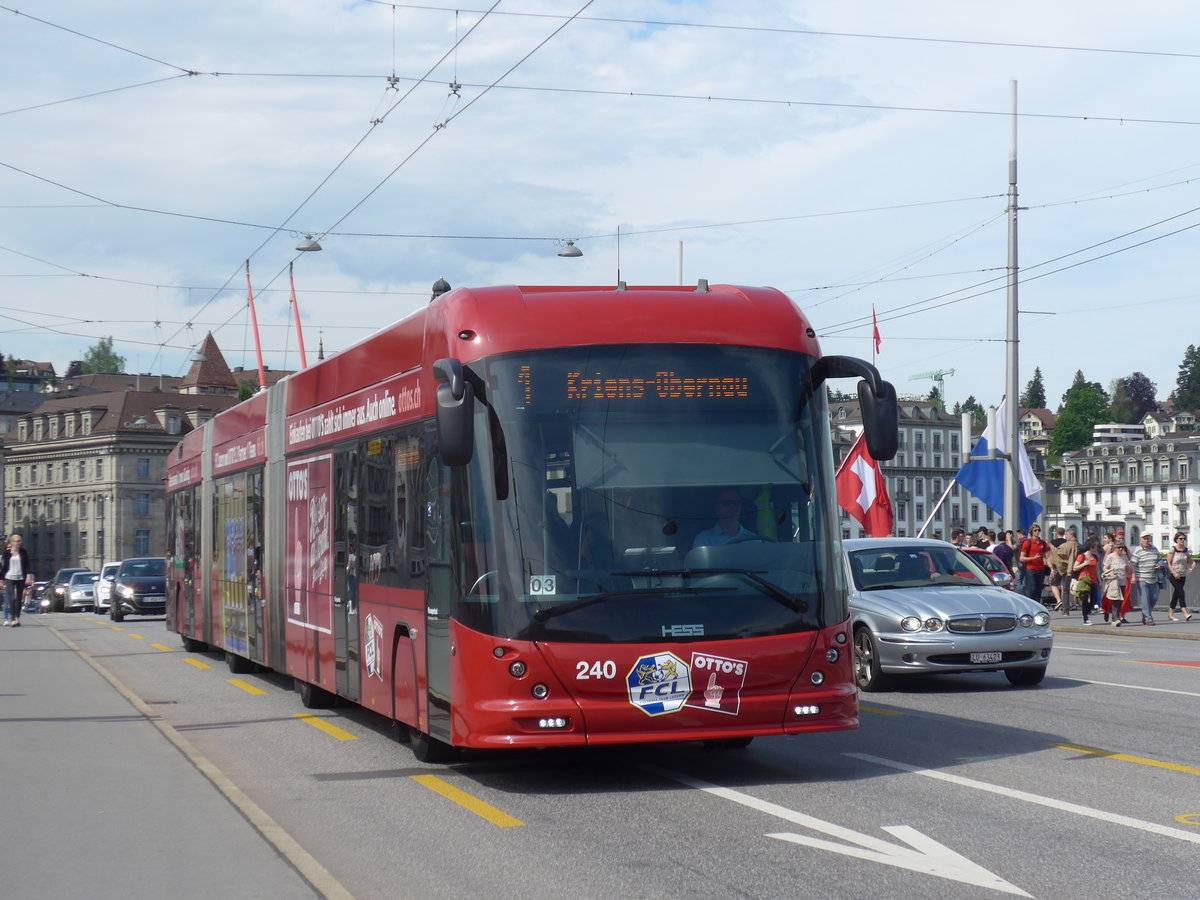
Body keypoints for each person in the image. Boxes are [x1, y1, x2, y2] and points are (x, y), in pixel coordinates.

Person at [692, 488, 758, 548]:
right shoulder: (704, 539)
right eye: (726, 503)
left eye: (736, 503)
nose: (732, 508)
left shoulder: (753, 539)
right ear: (716, 507)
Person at [1129, 533, 1163, 625]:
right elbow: (1133, 564)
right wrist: (1133, 576)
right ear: (1140, 540)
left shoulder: (1154, 549)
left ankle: (1145, 613)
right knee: (1145, 598)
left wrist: (1160, 565)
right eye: (1144, 539)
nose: (1146, 540)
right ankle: (1148, 618)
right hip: (1142, 578)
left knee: (1154, 598)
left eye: (1147, 539)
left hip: (1153, 577)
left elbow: (1160, 559)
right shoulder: (1138, 550)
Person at [1, 534, 33, 627]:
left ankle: (17, 618)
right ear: (11, 542)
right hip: (9, 577)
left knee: (19, 598)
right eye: (16, 541)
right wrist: (1, 580)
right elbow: (3, 568)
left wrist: (28, 575)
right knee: (12, 598)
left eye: (19, 541)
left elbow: (27, 565)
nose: (18, 542)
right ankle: (13, 618)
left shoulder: (23, 552)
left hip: (20, 577)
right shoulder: (6, 553)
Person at [1165, 532, 1195, 622]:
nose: (1182, 540)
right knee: (1181, 592)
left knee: (1176, 594)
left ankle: (1170, 614)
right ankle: (1185, 612)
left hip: (1182, 574)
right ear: (1176, 539)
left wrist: (1192, 564)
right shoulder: (1173, 549)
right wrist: (1174, 572)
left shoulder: (1185, 550)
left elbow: (1189, 559)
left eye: (1184, 539)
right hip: (1173, 574)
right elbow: (1168, 562)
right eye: (1181, 539)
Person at [1049, 527, 1079, 613]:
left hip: (1065, 569)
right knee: (1067, 588)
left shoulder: (1069, 544)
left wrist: (1051, 546)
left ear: (1071, 535)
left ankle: (1066, 609)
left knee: (1065, 589)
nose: (1065, 536)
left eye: (1067, 534)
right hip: (1071, 568)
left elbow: (1059, 552)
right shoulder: (1077, 544)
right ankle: (1071, 605)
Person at [1101, 542, 1132, 625]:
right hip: (1114, 580)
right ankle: (1116, 618)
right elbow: (1105, 567)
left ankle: (1115, 616)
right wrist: (1110, 572)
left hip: (1122, 580)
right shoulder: (1110, 557)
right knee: (1116, 599)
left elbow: (1127, 567)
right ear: (1115, 548)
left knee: (1121, 600)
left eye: (1122, 547)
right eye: (1119, 548)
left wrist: (1130, 575)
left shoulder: (1124, 557)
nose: (1120, 549)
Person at [1071, 538, 1099, 625]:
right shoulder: (1082, 556)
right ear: (1091, 547)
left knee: (1094, 599)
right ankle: (1085, 617)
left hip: (1093, 580)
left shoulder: (1095, 557)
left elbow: (1096, 569)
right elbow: (1074, 567)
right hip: (1084, 580)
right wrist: (1084, 564)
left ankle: (1087, 611)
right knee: (1085, 599)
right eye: (1095, 547)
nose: (1097, 548)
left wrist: (1099, 580)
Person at [1019, 524, 1049, 603]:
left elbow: (1047, 556)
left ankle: (1038, 606)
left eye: (1038, 530)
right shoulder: (1027, 543)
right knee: (1031, 589)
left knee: (1039, 591)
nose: (1037, 532)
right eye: (1035, 530)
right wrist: (1033, 558)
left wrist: (1051, 568)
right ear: (1031, 532)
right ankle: (1031, 606)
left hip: (1041, 569)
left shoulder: (1042, 543)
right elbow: (1021, 558)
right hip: (1031, 569)